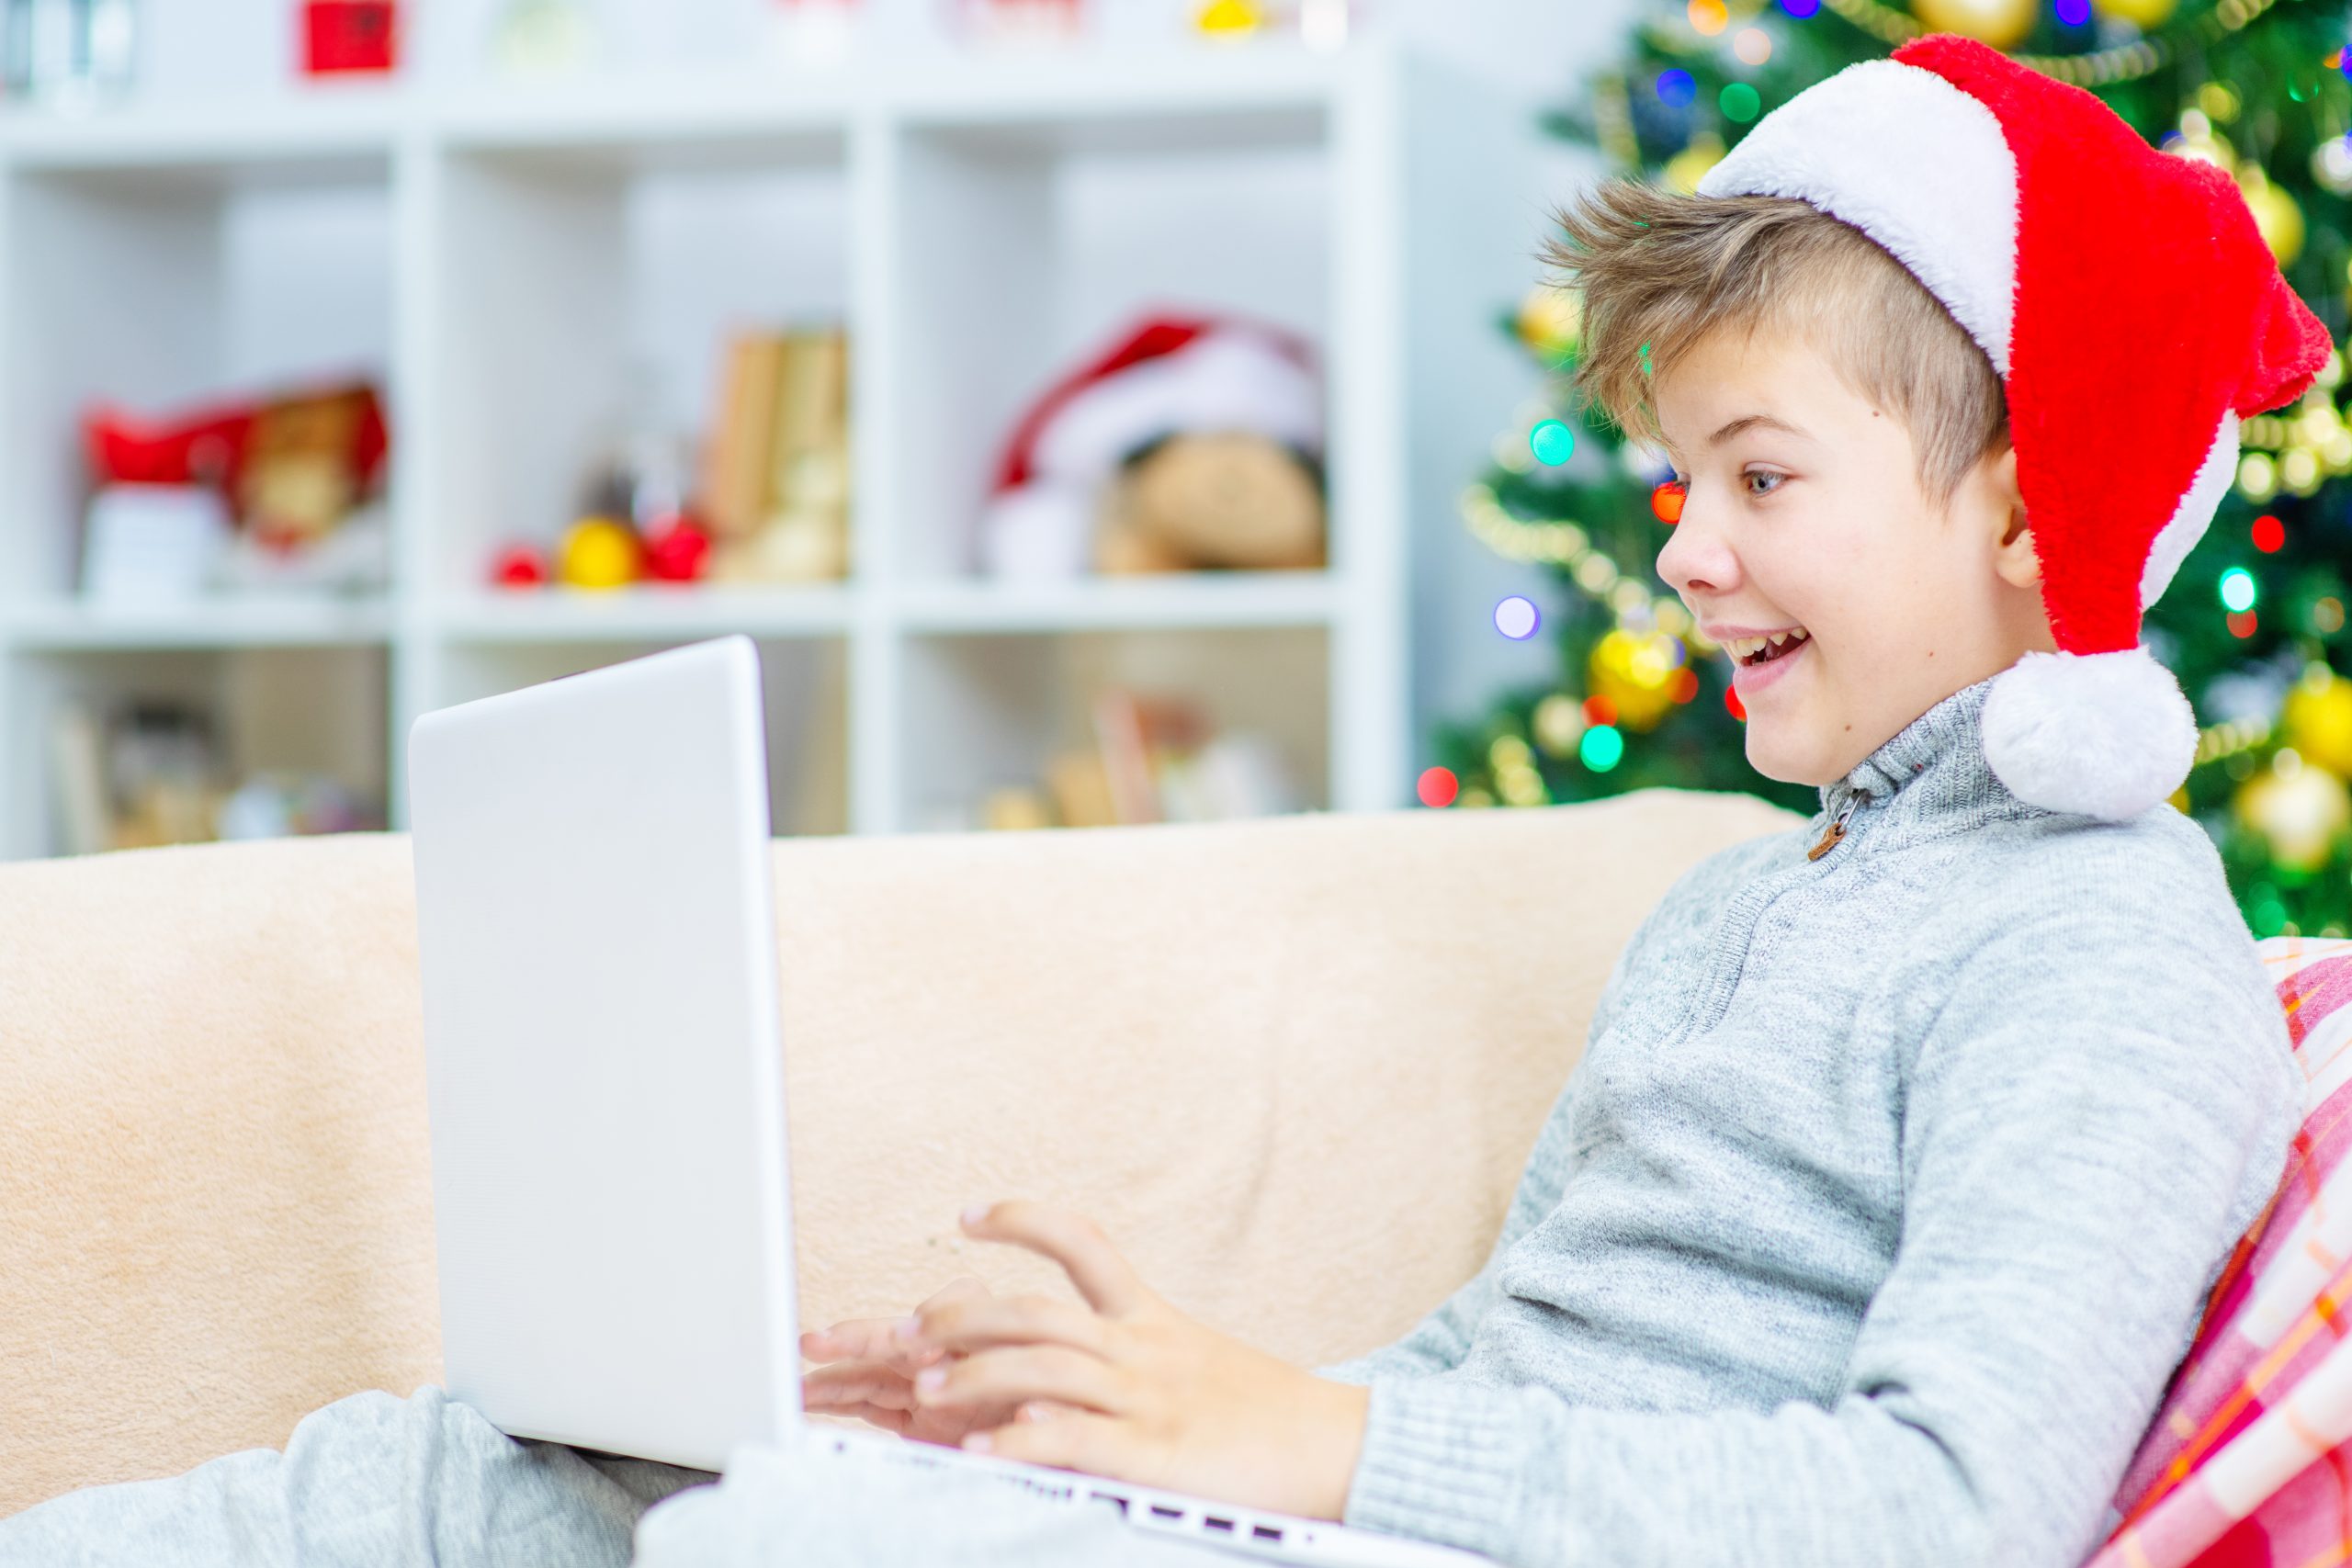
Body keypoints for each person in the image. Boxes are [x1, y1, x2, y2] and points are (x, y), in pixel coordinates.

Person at [0, 31, 2326, 1568]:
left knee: (781, 1543)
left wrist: (1303, 1450)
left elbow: (1952, 1509)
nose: (1683, 552)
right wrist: (1121, 1422)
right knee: (538, 1465)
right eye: (1670, 478)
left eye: (1757, 475)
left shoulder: (2099, 947)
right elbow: (1494, 1386)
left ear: (2032, 505)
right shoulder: (1739, 909)